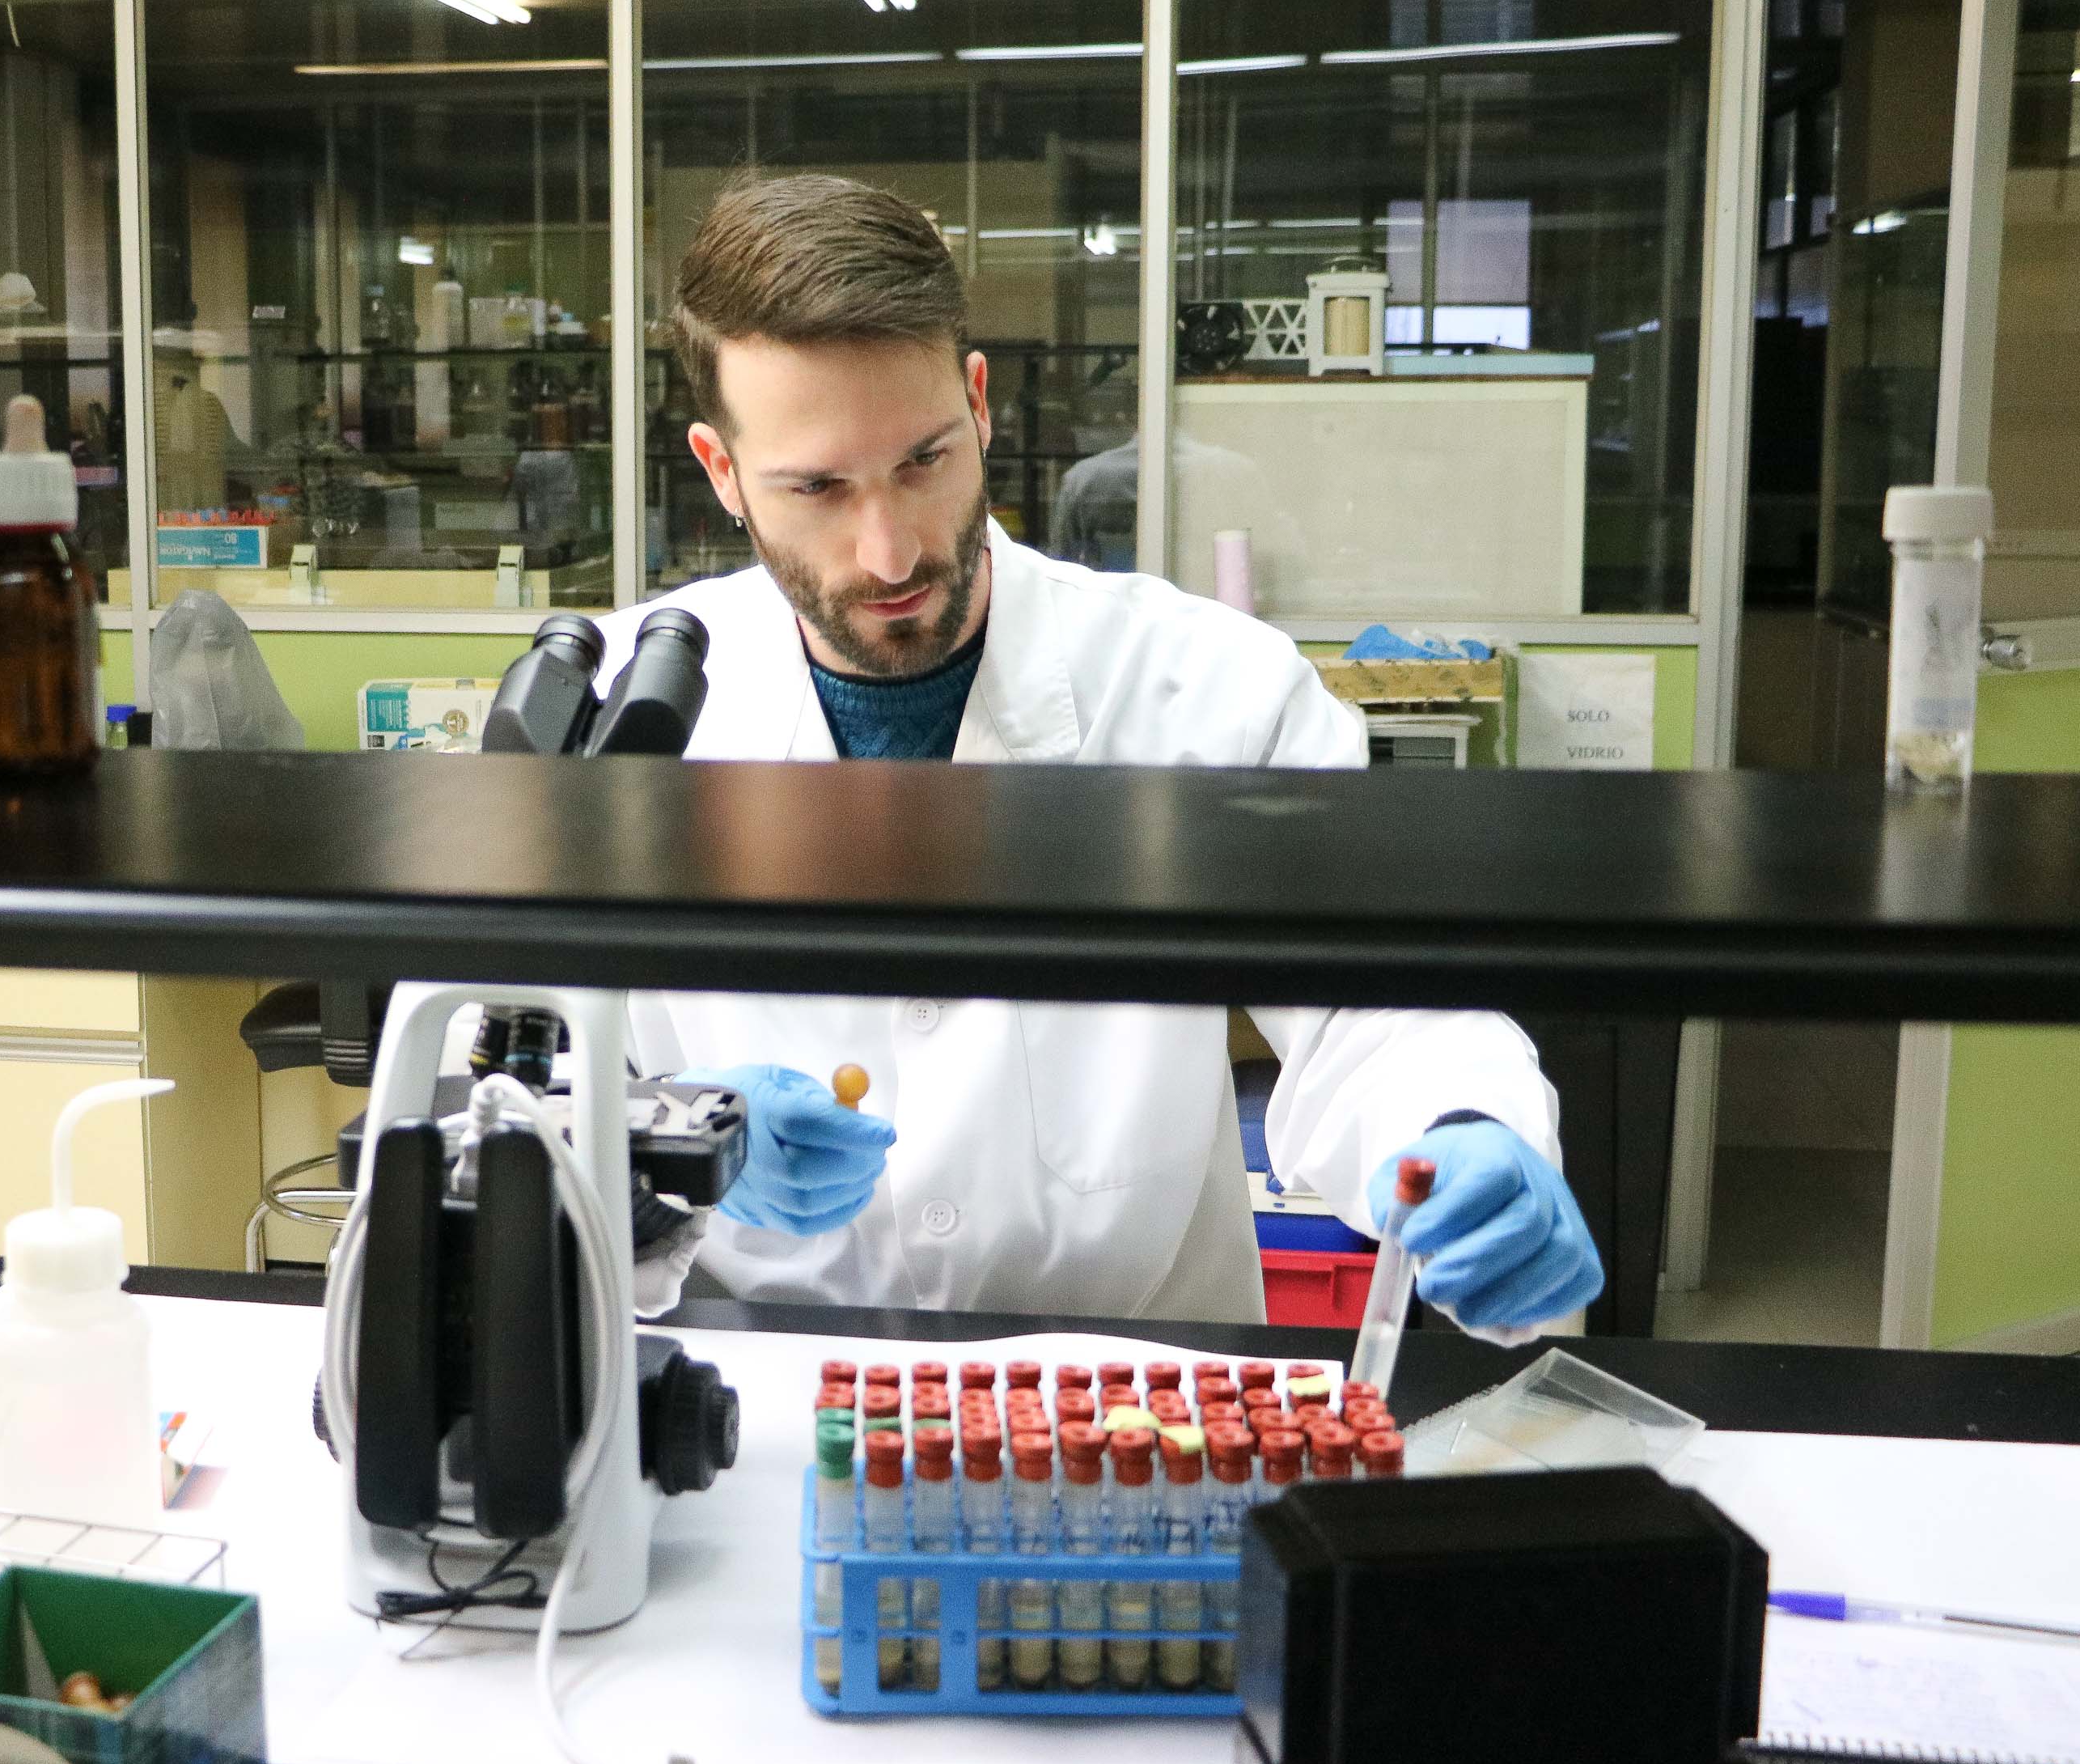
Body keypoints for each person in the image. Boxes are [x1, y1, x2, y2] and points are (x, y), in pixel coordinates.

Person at [599, 174, 1598, 1333]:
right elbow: (504, 1074)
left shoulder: (1210, 688)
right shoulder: (624, 708)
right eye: (817, 487)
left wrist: (1464, 1131)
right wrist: (660, 1145)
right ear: (721, 469)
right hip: (754, 1385)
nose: (890, 553)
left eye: (923, 461)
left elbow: (1376, 1004)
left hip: (1138, 1383)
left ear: (978, 405)